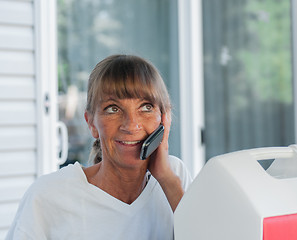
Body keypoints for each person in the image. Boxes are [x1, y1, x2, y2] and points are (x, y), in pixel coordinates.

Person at [6, 54, 192, 240]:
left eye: (146, 107)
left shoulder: (174, 176)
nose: (131, 125)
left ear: (164, 119)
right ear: (92, 124)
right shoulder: (47, 196)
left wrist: (167, 179)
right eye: (113, 109)